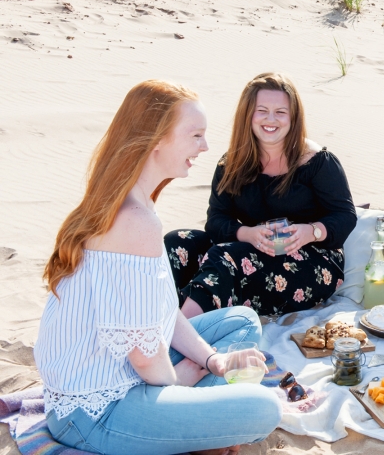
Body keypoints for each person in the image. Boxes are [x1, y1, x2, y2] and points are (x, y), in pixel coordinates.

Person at [35, 80, 281, 454]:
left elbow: (162, 312)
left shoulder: (130, 201)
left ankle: (191, 422)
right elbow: (145, 357)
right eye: (195, 135)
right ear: (156, 141)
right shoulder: (135, 222)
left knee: (241, 322)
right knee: (263, 409)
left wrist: (212, 361)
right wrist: (181, 379)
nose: (205, 146)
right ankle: (191, 428)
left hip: (113, 378)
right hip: (95, 413)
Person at [166, 72, 357, 318]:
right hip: (249, 250)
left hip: (312, 261)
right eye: (262, 110)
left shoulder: (317, 162)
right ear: (248, 114)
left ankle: (182, 334)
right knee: (178, 241)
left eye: (280, 112)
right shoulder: (232, 163)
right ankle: (161, 315)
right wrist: (249, 234)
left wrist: (310, 232)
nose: (271, 119)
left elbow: (345, 216)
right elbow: (216, 221)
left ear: (293, 117)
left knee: (223, 257)